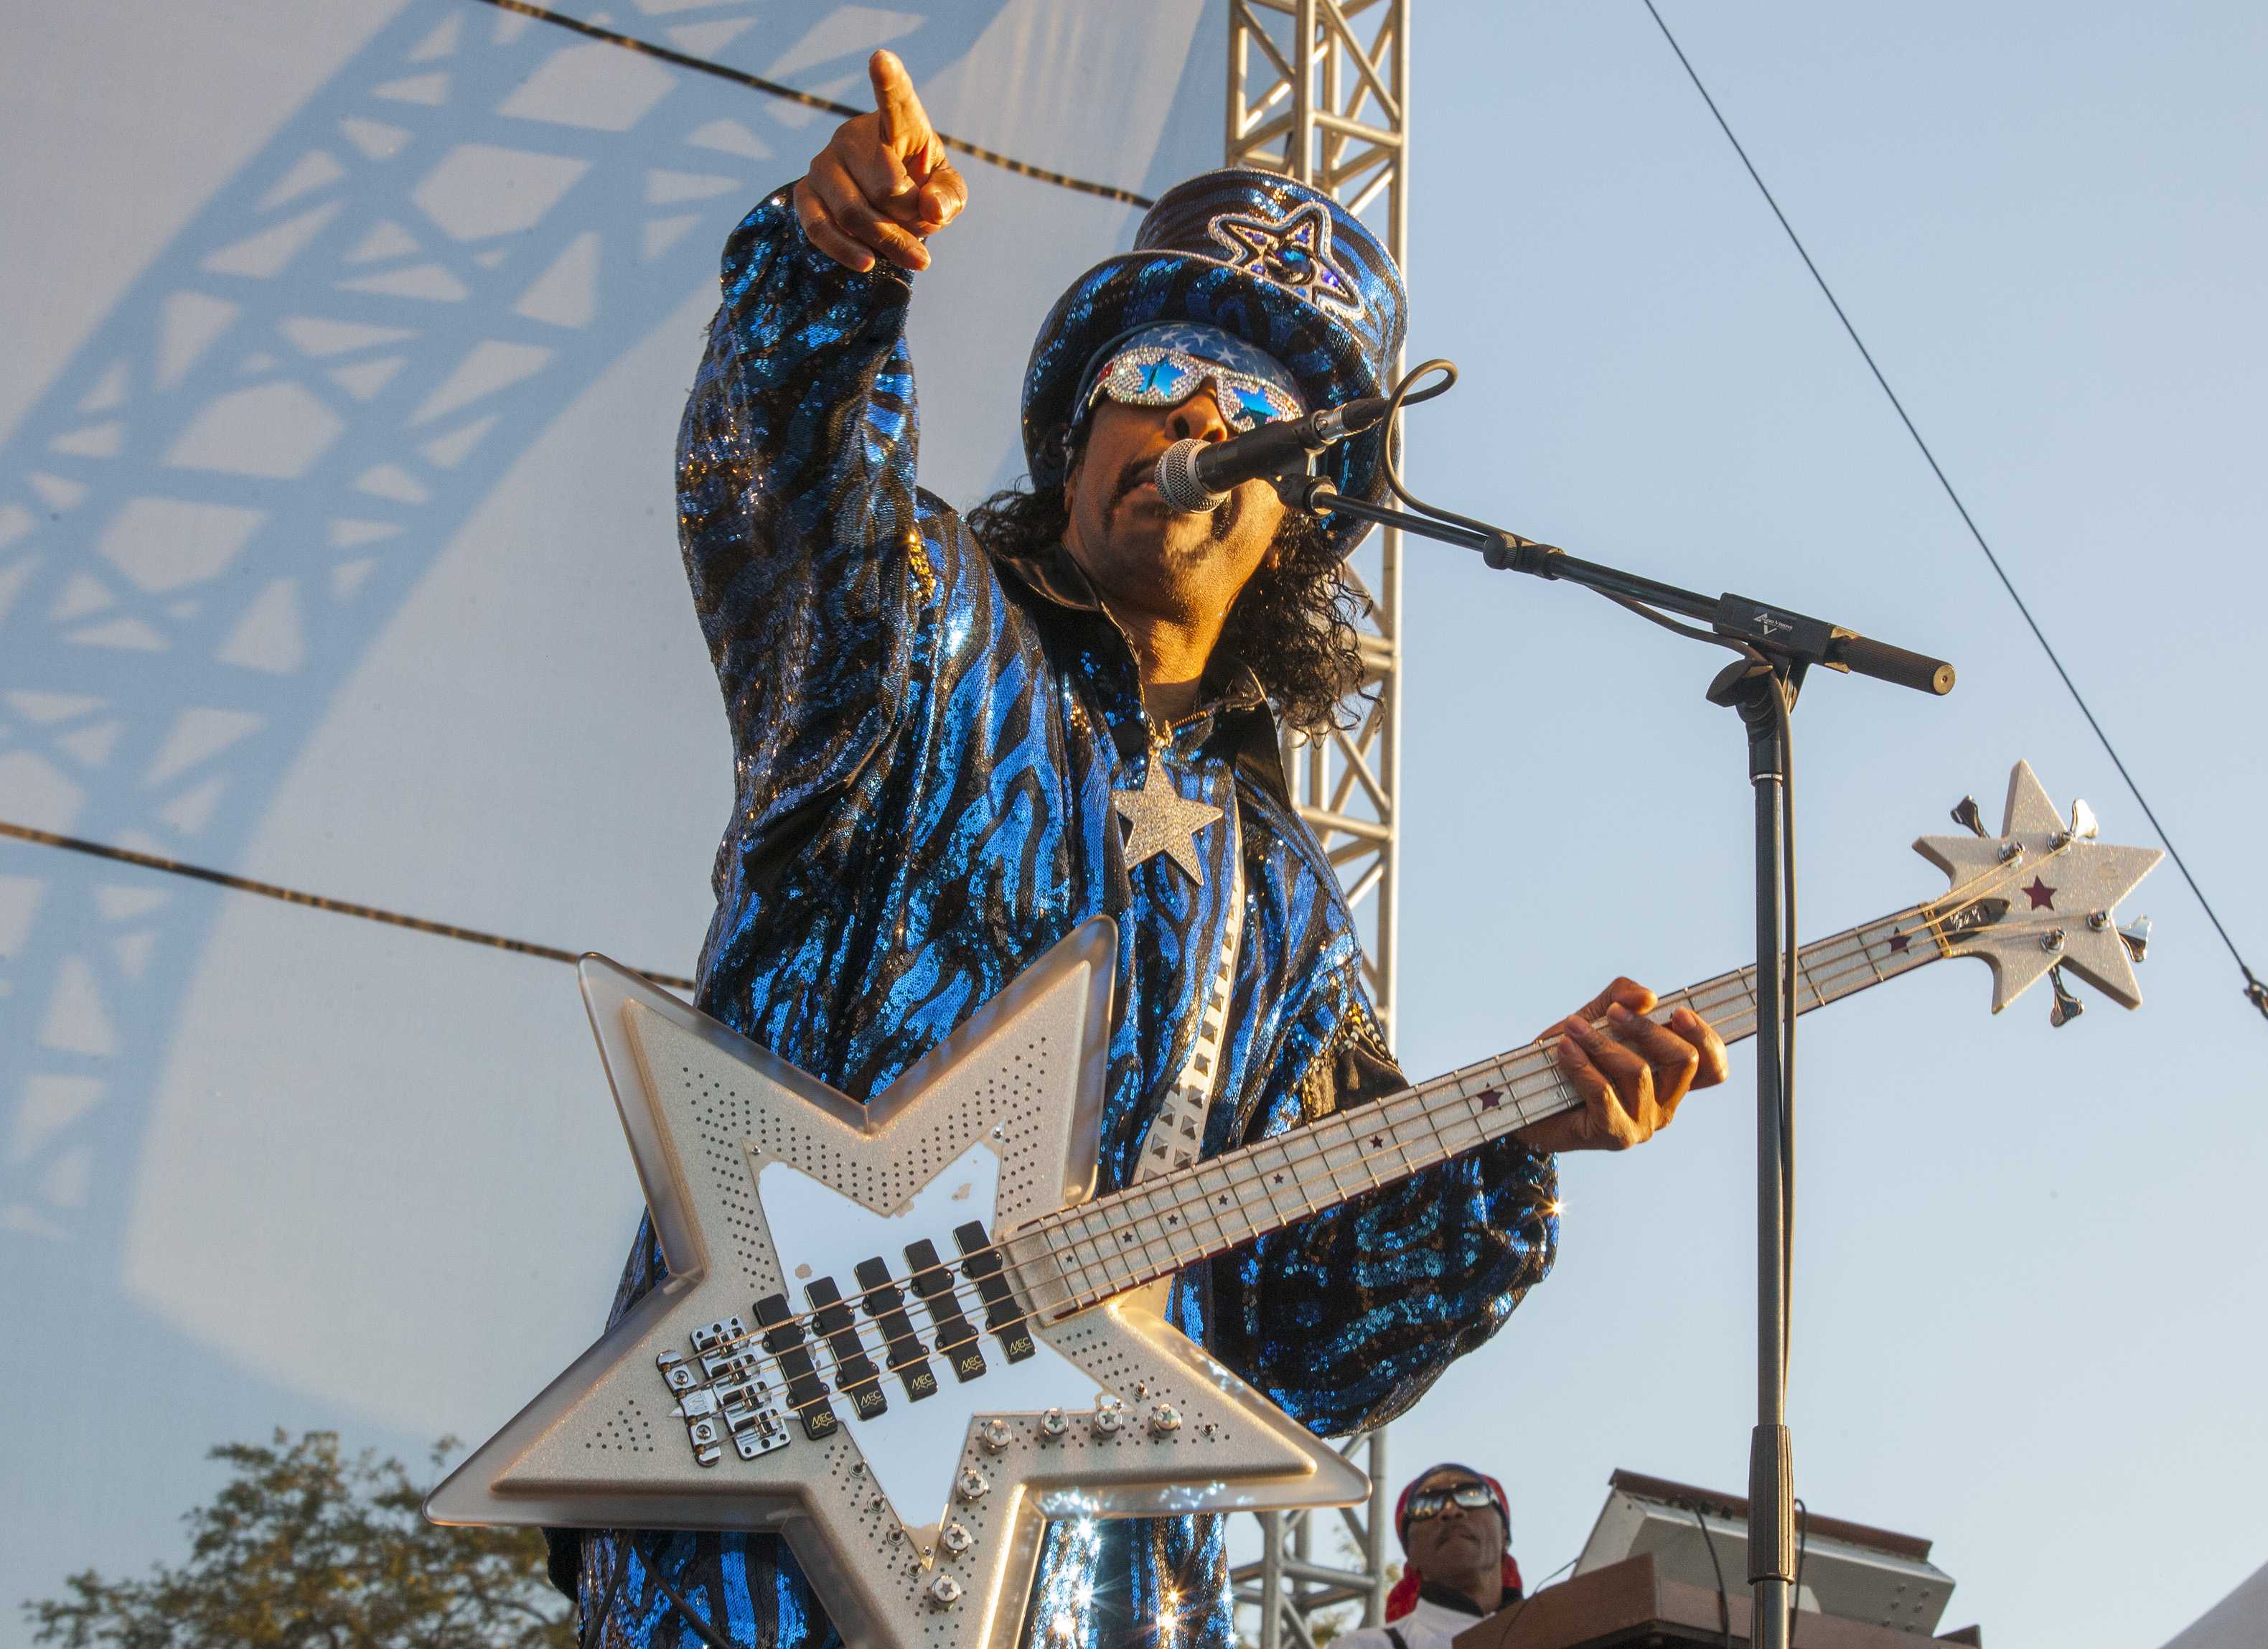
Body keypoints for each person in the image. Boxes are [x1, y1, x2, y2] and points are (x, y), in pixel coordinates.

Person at [553, 50, 1728, 1649]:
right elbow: (785, 502)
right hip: (767, 1517)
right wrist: (826, 282)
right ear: (1078, 420)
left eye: (1252, 401)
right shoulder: (920, 639)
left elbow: (1292, 1329)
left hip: (1095, 1580)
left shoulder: (1290, 898)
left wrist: (1516, 1151)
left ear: (1301, 499)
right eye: (1157, 363)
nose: (1191, 408)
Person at [1329, 1465, 1525, 1649]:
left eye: (1472, 1494)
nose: (1451, 1510)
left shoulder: (1552, 1625)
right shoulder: (1367, 1645)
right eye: (1426, 1505)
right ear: (1410, 1553)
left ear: (1504, 1533)